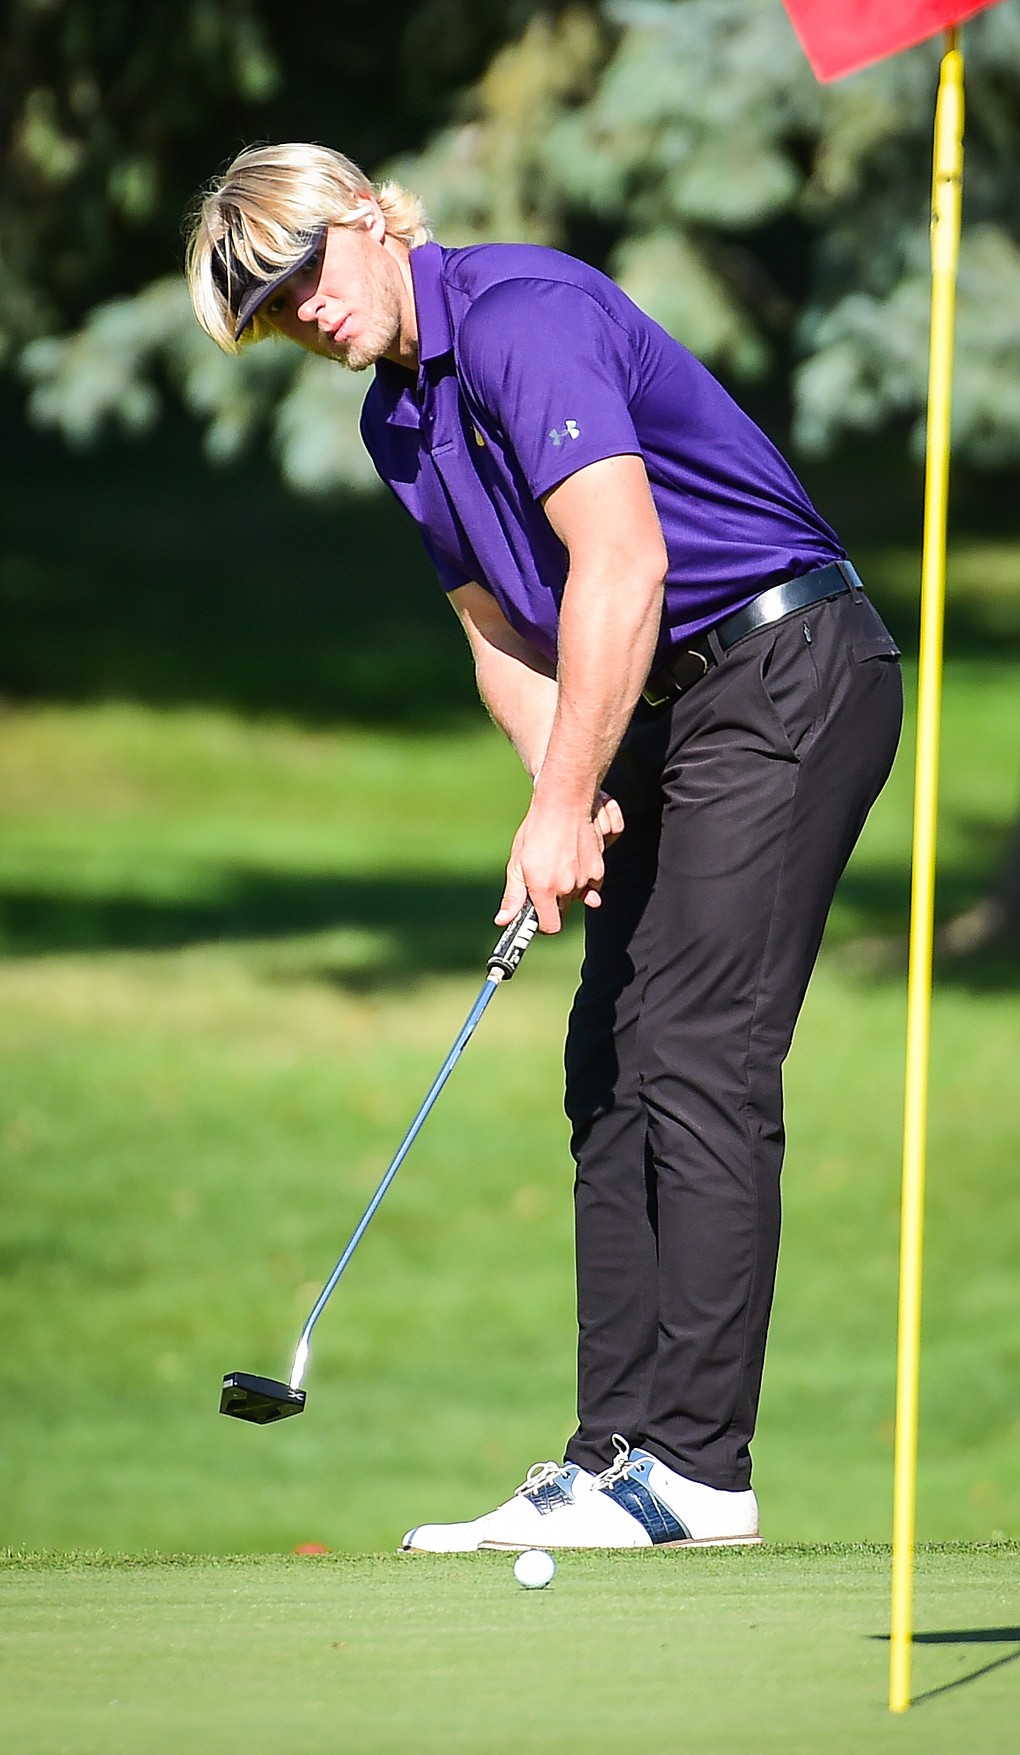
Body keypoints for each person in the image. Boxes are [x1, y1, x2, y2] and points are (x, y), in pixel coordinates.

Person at [187, 142, 902, 1552]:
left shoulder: (523, 315)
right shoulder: (398, 425)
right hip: (657, 702)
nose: (305, 319)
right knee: (608, 1060)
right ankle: (613, 1457)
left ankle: (698, 1473)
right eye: (270, 315)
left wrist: (570, 799)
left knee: (696, 1045)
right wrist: (557, 795)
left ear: (368, 220)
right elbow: (505, 638)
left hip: (784, 666)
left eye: (304, 276)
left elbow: (623, 564)